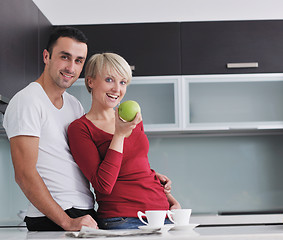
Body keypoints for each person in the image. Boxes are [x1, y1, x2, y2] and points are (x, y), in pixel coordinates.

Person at [2, 27, 172, 231]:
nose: (71, 67)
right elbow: (24, 174)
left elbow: (92, 161)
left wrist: (146, 176)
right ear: (46, 56)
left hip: (85, 210)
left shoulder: (73, 104)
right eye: (65, 57)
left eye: (79, 60)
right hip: (55, 217)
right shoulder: (27, 101)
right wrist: (67, 221)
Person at [67, 52, 181, 229]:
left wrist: (170, 200)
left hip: (163, 214)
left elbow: (138, 167)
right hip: (122, 218)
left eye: (123, 82)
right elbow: (103, 184)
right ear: (90, 81)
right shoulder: (80, 128)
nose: (117, 89)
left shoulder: (132, 118)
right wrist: (119, 135)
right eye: (109, 80)